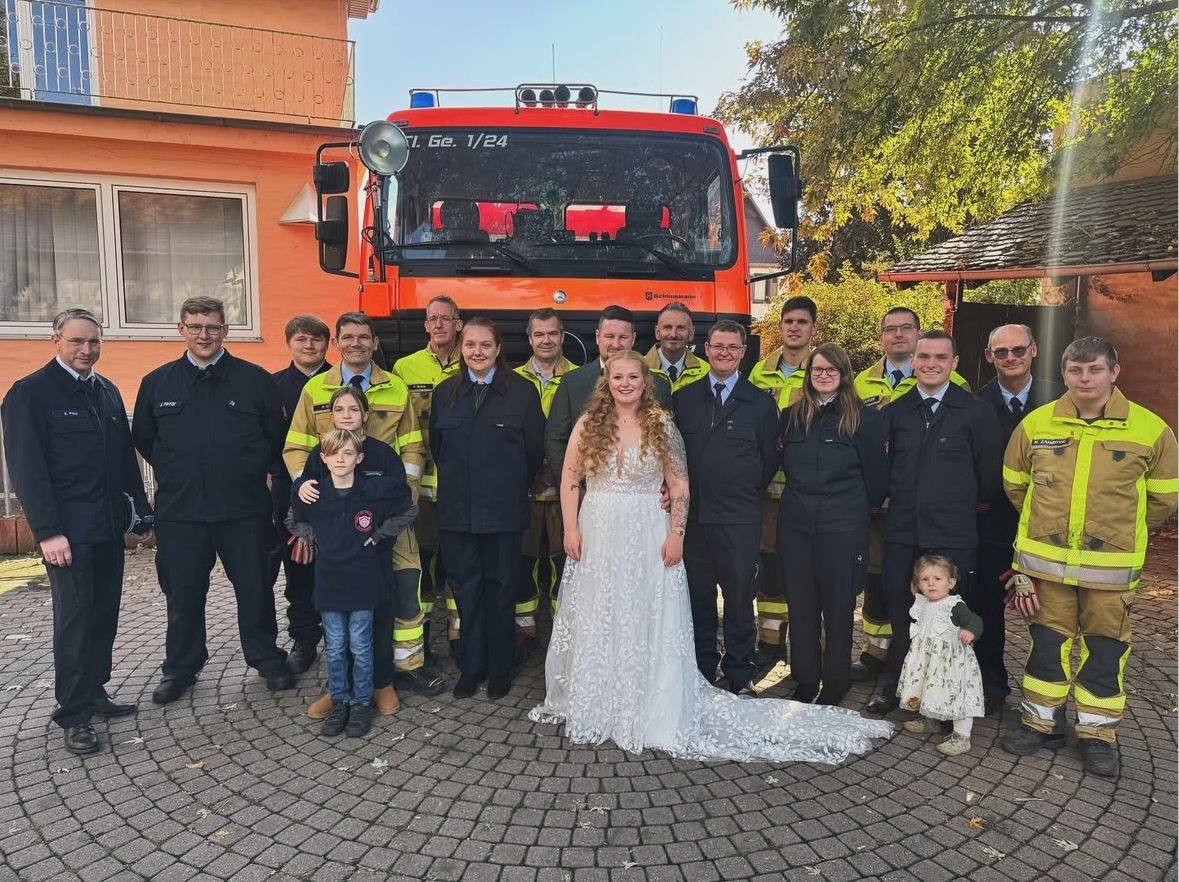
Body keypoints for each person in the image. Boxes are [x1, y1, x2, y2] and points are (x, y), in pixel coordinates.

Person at [529, 351, 893, 762]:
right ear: (606, 381)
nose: (625, 384)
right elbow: (570, 479)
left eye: (633, 376)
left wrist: (677, 534)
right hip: (598, 531)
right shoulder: (588, 425)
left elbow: (679, 486)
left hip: (649, 530)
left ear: (645, 382)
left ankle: (647, 698)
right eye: (618, 377)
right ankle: (600, 696)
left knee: (644, 611)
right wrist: (572, 528)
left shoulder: (661, 425)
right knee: (603, 611)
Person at [1000, 337, 1177, 778]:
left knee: (1105, 651)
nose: (1085, 379)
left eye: (1095, 370)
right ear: (1064, 374)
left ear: (1114, 373)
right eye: (1077, 371)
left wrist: (1119, 533)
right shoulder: (1037, 424)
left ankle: (1098, 735)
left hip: (1110, 573)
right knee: (1046, 646)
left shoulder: (1150, 430)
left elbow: (1163, 499)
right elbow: (1015, 485)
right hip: (1048, 567)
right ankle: (1041, 724)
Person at [2, 309, 153, 754]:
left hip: (106, 529)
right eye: (77, 342)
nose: (86, 350)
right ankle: (73, 713)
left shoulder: (104, 390)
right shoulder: (30, 394)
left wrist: (140, 515)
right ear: (56, 340)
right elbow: (27, 471)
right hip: (67, 534)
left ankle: (94, 690)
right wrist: (47, 532)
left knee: (103, 614)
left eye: (93, 342)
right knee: (75, 621)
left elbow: (126, 462)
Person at [133, 297, 293, 704]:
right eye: (196, 326)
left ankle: (266, 658)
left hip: (243, 509)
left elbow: (275, 437)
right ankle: (181, 669)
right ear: (181, 329)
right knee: (183, 595)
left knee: (255, 589)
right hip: (181, 513)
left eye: (213, 327)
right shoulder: (157, 383)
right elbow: (147, 441)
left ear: (226, 330)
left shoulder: (256, 381)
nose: (204, 334)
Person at [284, 312, 445, 697]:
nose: (356, 343)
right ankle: (354, 675)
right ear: (337, 343)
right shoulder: (316, 390)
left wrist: (403, 494)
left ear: (374, 343)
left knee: (406, 583)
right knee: (347, 595)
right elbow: (297, 447)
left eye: (364, 337)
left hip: (388, 511)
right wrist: (307, 488)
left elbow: (411, 445)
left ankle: (408, 665)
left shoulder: (396, 387)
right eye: (348, 337)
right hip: (340, 517)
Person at [866, 330, 1002, 715]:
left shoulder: (975, 412)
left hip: (953, 534)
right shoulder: (895, 412)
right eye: (923, 356)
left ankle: (951, 694)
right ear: (912, 361)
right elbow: (882, 469)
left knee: (950, 618)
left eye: (940, 357)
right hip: (904, 532)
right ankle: (896, 686)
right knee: (902, 612)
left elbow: (989, 477)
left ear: (954, 363)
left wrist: (963, 509)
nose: (931, 364)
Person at [851, 308, 971, 684]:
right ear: (881, 336)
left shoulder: (961, 391)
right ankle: (879, 657)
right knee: (883, 586)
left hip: (938, 516)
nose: (898, 335)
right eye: (890, 329)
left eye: (906, 329)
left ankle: (932, 678)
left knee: (934, 593)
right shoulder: (862, 381)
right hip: (885, 511)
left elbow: (978, 467)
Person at [431, 318, 545, 700]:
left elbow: (533, 452)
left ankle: (499, 669)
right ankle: (472, 666)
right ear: (461, 349)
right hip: (458, 515)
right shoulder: (445, 392)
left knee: (501, 592)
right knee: (466, 592)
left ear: (499, 349)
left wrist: (510, 487)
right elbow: (438, 449)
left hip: (503, 513)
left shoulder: (522, 393)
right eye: (469, 345)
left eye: (485, 345)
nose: (476, 352)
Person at [776, 344, 890, 706]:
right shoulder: (792, 416)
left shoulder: (866, 420)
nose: (823, 376)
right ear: (808, 375)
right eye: (816, 370)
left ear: (844, 374)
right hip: (796, 524)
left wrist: (853, 510)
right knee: (801, 604)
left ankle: (836, 682)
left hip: (842, 525)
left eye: (830, 370)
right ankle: (805, 678)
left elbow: (877, 481)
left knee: (839, 607)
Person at [293, 386, 414, 718]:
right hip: (336, 559)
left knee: (376, 623)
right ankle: (338, 692)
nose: (346, 415)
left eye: (353, 409)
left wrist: (379, 535)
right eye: (339, 410)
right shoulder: (322, 451)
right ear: (330, 416)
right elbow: (303, 496)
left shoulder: (381, 454)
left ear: (365, 415)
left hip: (374, 556)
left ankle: (381, 684)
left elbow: (401, 494)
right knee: (338, 635)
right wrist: (299, 490)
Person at [673, 320, 778, 695]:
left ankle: (738, 673)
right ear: (705, 348)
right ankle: (701, 670)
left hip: (739, 519)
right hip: (695, 521)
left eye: (733, 347)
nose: (724, 353)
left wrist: (741, 489)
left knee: (738, 601)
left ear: (743, 351)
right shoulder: (684, 399)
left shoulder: (761, 404)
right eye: (718, 346)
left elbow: (767, 462)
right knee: (698, 599)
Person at [973, 323, 1065, 715]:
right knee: (987, 610)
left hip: (1050, 527)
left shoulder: (1061, 401)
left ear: (1033, 351)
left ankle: (1046, 700)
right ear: (989, 357)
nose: (1010, 358)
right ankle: (992, 684)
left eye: (1017, 350)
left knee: (1049, 616)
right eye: (1001, 352)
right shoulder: (974, 404)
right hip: (992, 525)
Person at [392, 295, 464, 662]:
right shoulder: (405, 368)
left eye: (446, 319)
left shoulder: (471, 361)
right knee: (420, 560)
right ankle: (420, 633)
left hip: (459, 486)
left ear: (458, 324)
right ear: (425, 326)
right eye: (432, 319)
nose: (439, 325)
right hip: (420, 489)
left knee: (456, 561)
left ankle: (457, 631)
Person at [747, 295, 817, 662]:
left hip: (807, 491)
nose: (793, 328)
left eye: (801, 322)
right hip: (767, 492)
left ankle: (804, 649)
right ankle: (770, 645)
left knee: (805, 572)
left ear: (812, 329)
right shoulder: (759, 371)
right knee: (770, 571)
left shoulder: (824, 369)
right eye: (788, 321)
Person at [269, 315, 332, 675]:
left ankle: (342, 634)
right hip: (292, 491)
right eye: (301, 340)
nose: (309, 347)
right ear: (289, 343)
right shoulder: (273, 386)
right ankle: (305, 637)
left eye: (317, 340)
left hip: (340, 491)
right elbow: (264, 437)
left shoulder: (342, 381)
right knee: (299, 567)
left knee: (338, 564)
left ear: (328, 344)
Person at [545, 305, 672, 481]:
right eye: (609, 336)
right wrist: (573, 487)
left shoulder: (659, 385)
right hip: (587, 495)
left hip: (644, 493)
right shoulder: (572, 382)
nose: (616, 344)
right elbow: (555, 439)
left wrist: (666, 485)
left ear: (633, 339)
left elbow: (667, 442)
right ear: (598, 337)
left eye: (623, 337)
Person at [513, 308, 577, 655]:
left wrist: (555, 469)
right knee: (523, 563)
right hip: (523, 490)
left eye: (552, 333)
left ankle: (562, 637)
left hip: (564, 492)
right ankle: (525, 632)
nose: (546, 340)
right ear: (530, 338)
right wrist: (529, 472)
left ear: (562, 336)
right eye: (539, 334)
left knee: (562, 563)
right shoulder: (511, 379)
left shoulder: (580, 379)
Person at [898, 555, 985, 757]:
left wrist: (970, 631)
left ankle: (962, 736)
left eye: (937, 579)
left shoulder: (954, 605)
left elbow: (975, 620)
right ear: (918, 584)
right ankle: (931, 719)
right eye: (925, 579)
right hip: (929, 660)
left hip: (952, 663)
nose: (931, 583)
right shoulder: (923, 602)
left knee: (957, 696)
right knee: (928, 686)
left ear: (951, 583)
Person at [644, 303, 709, 390]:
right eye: (667, 327)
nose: (673, 334)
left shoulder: (707, 372)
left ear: (691, 333)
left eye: (681, 328)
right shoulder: (639, 368)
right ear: (657, 332)